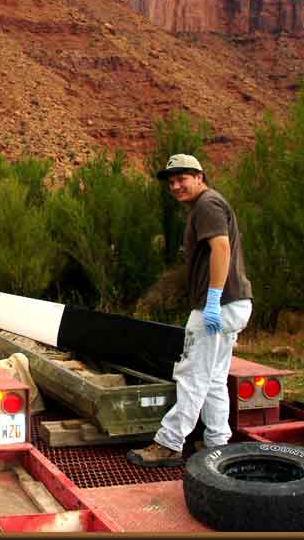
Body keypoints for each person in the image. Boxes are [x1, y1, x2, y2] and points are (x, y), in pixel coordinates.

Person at [127, 153, 253, 468]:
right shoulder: (208, 204)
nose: (175, 186)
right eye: (171, 181)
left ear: (199, 176)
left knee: (192, 375)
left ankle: (169, 443)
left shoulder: (207, 205)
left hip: (218, 306)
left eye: (182, 178)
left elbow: (221, 248)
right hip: (232, 304)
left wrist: (213, 299)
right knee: (212, 379)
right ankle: (217, 443)